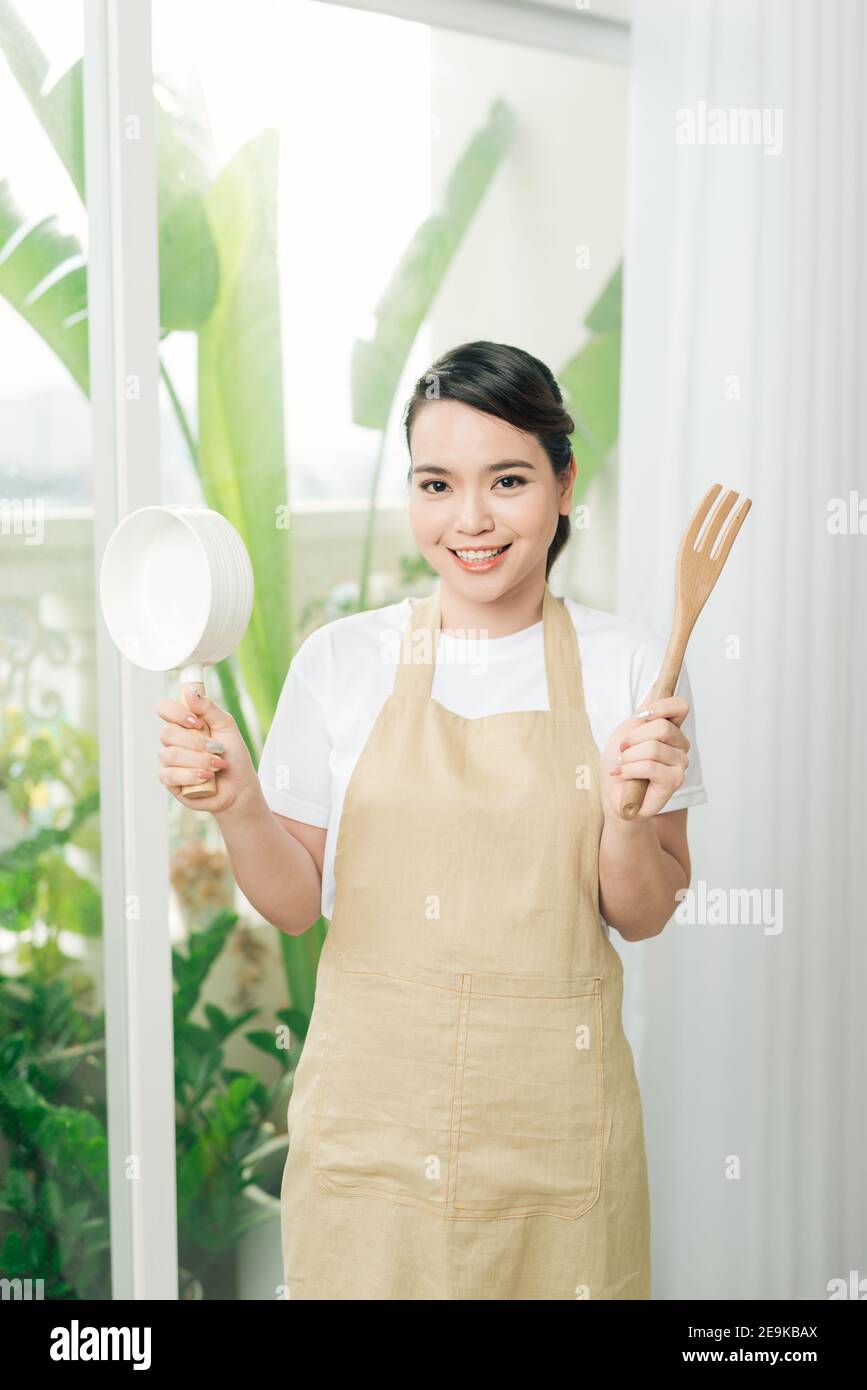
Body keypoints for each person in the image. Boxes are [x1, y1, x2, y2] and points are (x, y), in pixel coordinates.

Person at [156, 341, 707, 1300]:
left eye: (507, 479)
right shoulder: (341, 661)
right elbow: (293, 906)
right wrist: (240, 800)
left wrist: (626, 816)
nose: (472, 519)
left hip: (553, 1138)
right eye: (436, 484)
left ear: (563, 484)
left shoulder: (634, 667)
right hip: (375, 1133)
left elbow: (645, 909)